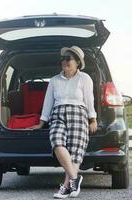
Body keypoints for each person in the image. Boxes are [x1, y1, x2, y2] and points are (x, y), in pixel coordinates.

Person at [29, 46, 97, 199]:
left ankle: (66, 187)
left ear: (78, 62)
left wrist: (92, 119)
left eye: (68, 59)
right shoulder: (54, 80)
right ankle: (75, 177)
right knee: (56, 141)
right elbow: (48, 103)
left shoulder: (84, 78)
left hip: (78, 113)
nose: (65, 61)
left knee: (75, 150)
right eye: (63, 59)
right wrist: (42, 122)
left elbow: (89, 99)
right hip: (58, 113)